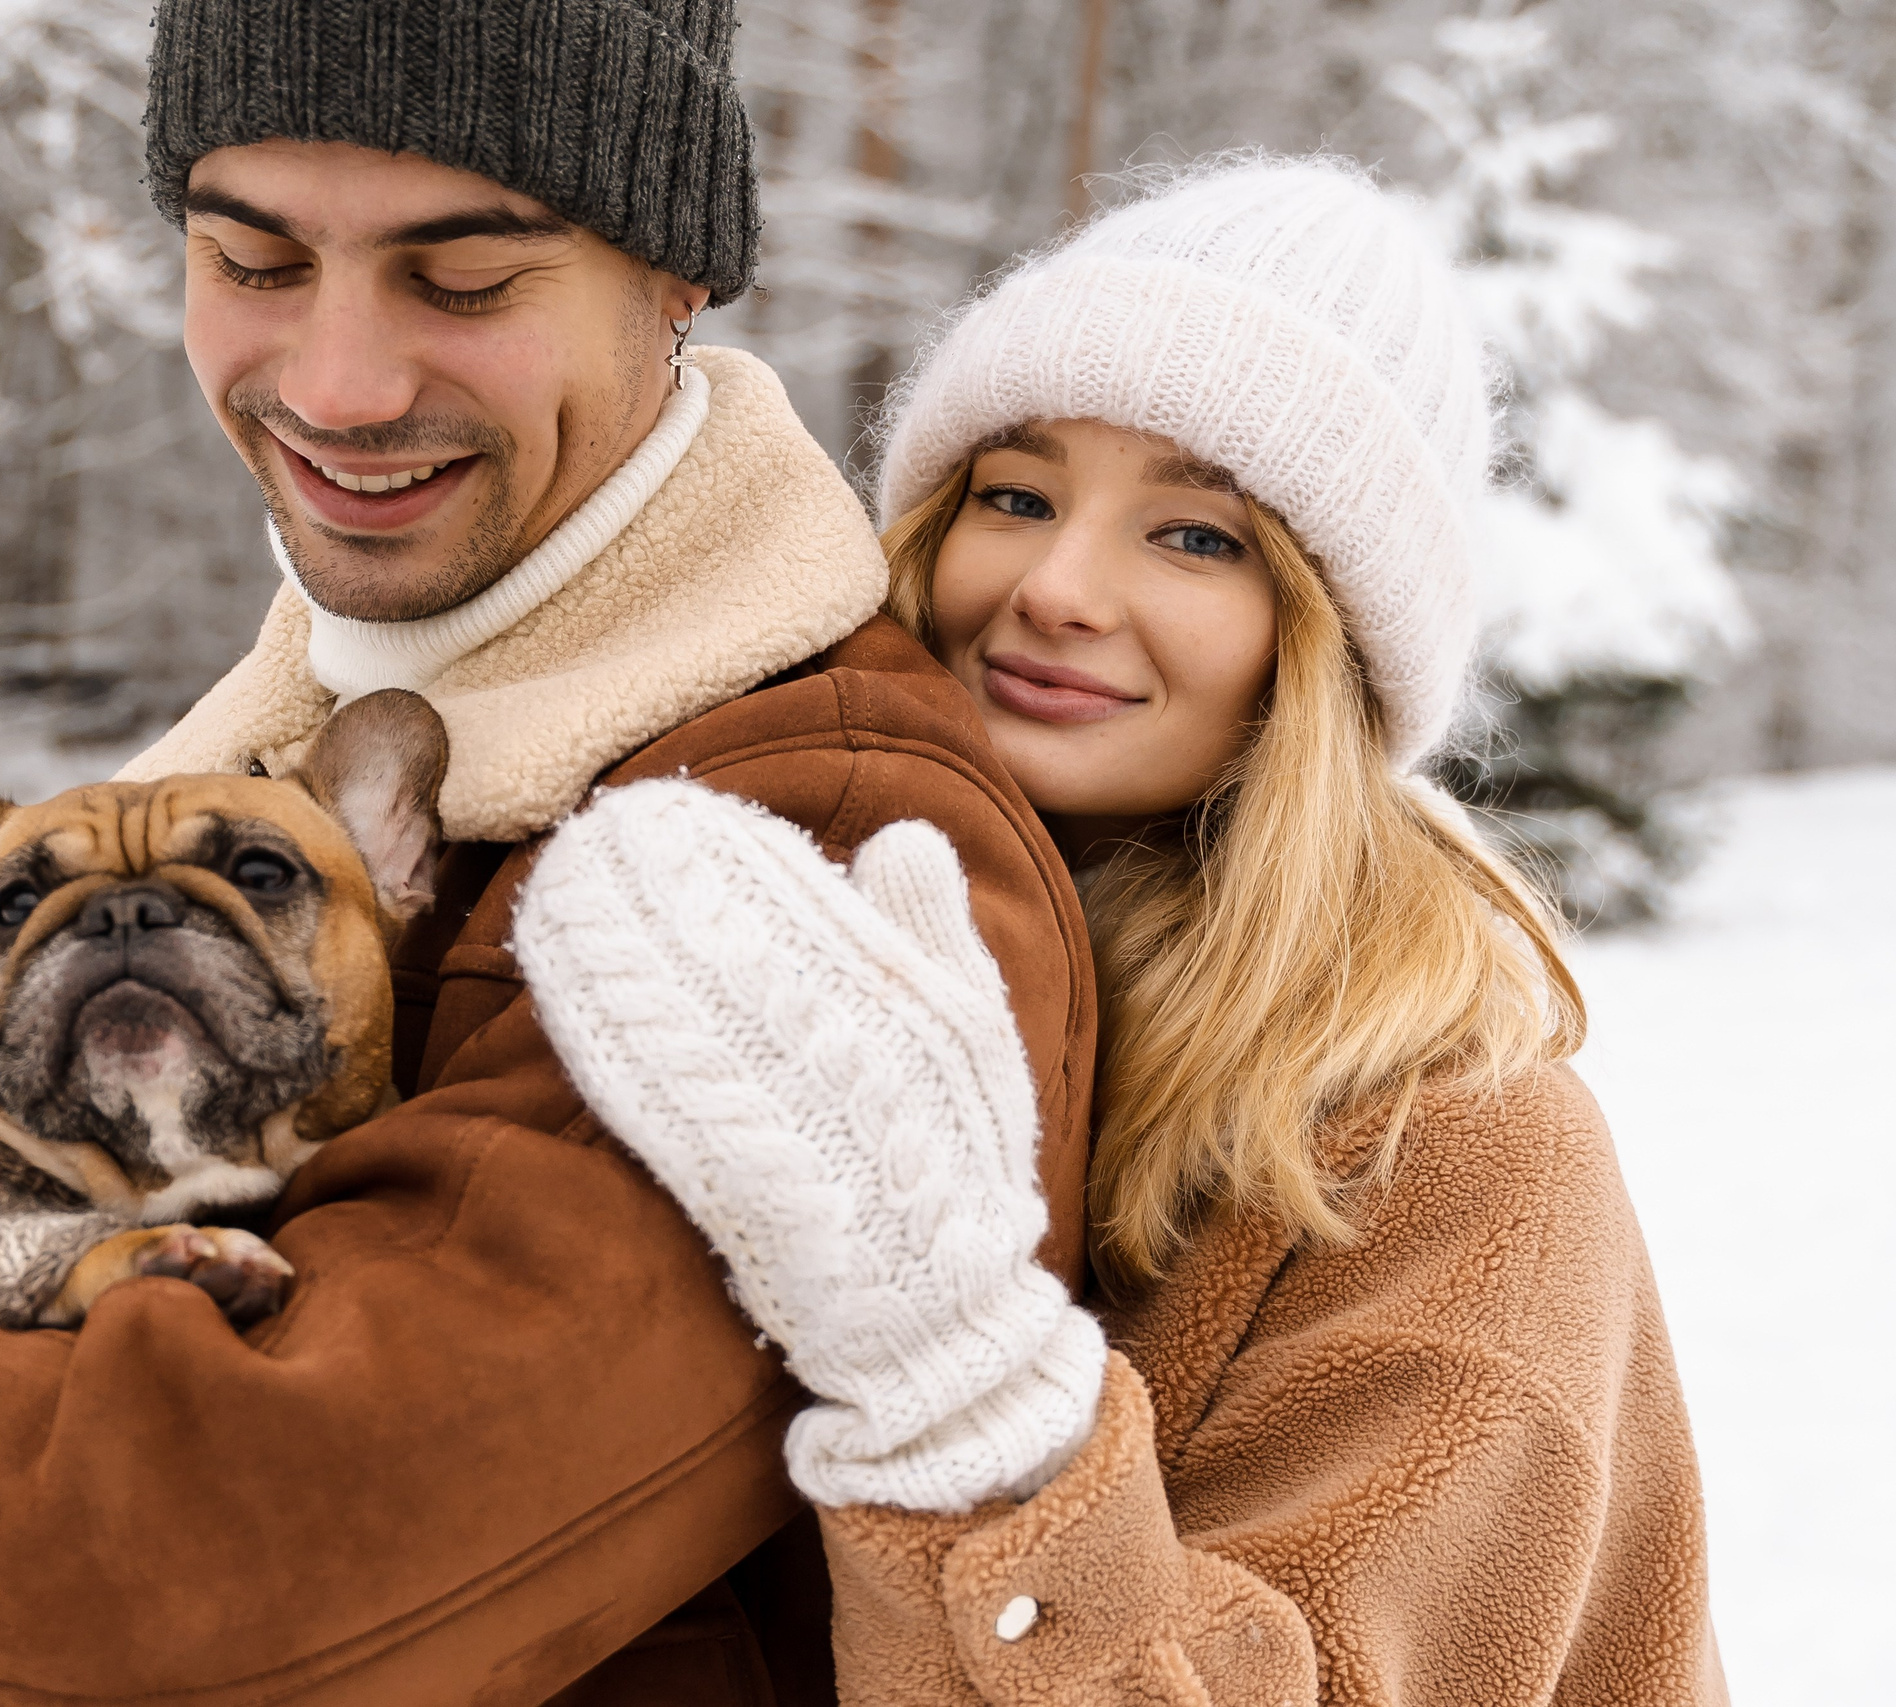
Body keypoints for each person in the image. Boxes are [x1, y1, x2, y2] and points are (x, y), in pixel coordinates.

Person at [0, 3, 1096, 1704]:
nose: (340, 388)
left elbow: (232, 1568)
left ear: (678, 280)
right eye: (254, 260)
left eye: (467, 277)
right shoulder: (313, 728)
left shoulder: (803, 830)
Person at [512, 157, 1725, 1703]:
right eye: (1016, 498)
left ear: (1324, 646)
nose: (1061, 589)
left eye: (1199, 539)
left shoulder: (1460, 1151)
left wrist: (962, 1399)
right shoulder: (772, 928)